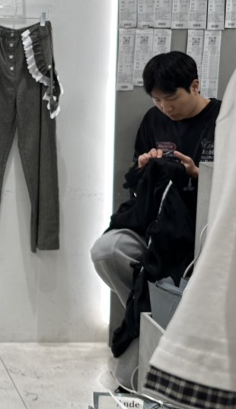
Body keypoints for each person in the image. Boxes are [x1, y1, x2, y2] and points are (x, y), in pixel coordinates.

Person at [90, 51, 220, 387]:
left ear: (195, 86)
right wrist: (143, 168)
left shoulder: (223, 121)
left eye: (171, 99)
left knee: (162, 283)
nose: (165, 108)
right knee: (106, 251)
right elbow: (137, 187)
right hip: (154, 227)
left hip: (201, 235)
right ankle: (148, 320)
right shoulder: (153, 120)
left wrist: (198, 175)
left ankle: (150, 335)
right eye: (157, 100)